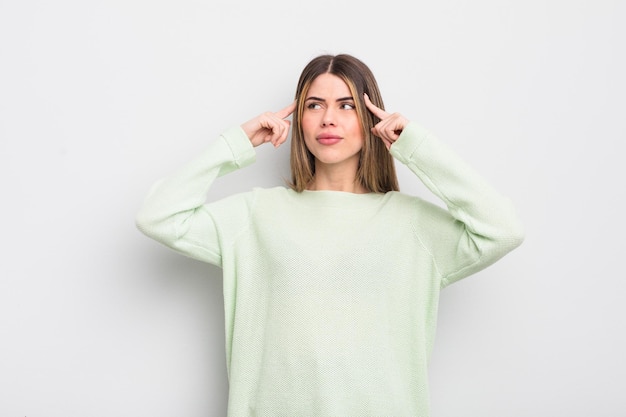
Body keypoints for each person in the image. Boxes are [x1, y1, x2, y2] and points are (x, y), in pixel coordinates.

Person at [136, 53, 524, 416]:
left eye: (347, 105)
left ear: (372, 118)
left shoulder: (412, 224)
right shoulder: (256, 215)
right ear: (299, 120)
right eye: (314, 105)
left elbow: (502, 229)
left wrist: (417, 147)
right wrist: (235, 142)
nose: (328, 119)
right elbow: (158, 216)